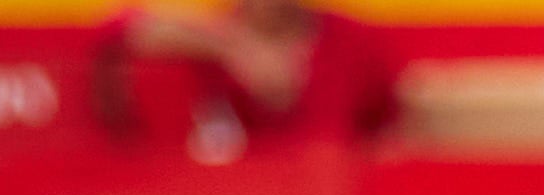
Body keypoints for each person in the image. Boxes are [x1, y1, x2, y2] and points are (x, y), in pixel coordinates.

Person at [91, 0, 395, 156]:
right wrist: (233, 48)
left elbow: (391, 126)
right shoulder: (217, 45)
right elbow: (121, 29)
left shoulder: (351, 42)